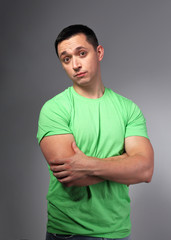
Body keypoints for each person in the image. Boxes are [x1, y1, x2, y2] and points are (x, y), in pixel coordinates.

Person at [37, 24, 154, 240]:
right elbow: (70, 175)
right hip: (68, 232)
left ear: (98, 52)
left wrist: (87, 164)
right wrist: (125, 164)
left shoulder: (128, 108)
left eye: (82, 53)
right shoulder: (54, 109)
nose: (75, 64)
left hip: (117, 231)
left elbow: (145, 170)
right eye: (66, 59)